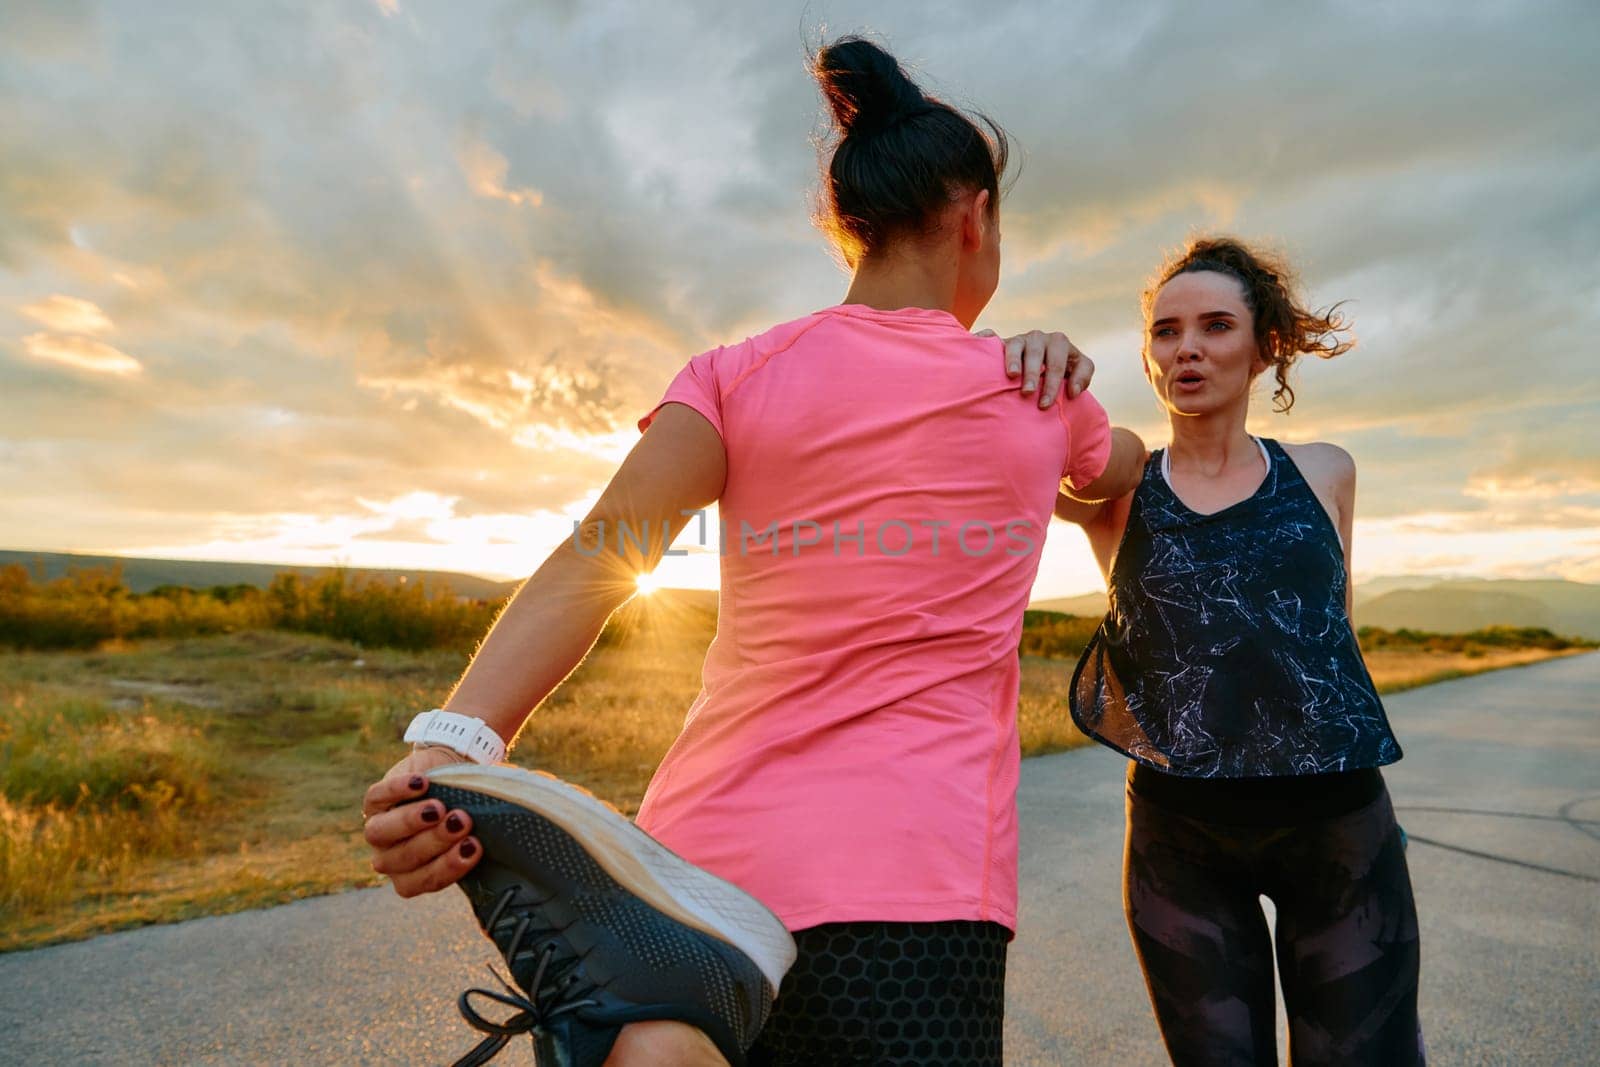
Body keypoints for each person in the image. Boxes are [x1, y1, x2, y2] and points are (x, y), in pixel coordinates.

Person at [360, 36, 1146, 1067]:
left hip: (691, 881)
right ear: (976, 216)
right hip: (915, 879)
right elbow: (1121, 469)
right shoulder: (1042, 397)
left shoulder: (738, 372)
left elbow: (604, 552)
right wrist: (1062, 364)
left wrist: (451, 745)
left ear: (850, 231)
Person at [1059, 235, 1425, 1065]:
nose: (1186, 346)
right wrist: (1027, 362)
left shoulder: (1326, 471)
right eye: (1165, 331)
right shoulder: (1117, 491)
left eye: (1216, 325)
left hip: (1336, 827)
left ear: (1266, 347)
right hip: (1177, 838)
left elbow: (1333, 640)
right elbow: (993, 455)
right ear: (1150, 356)